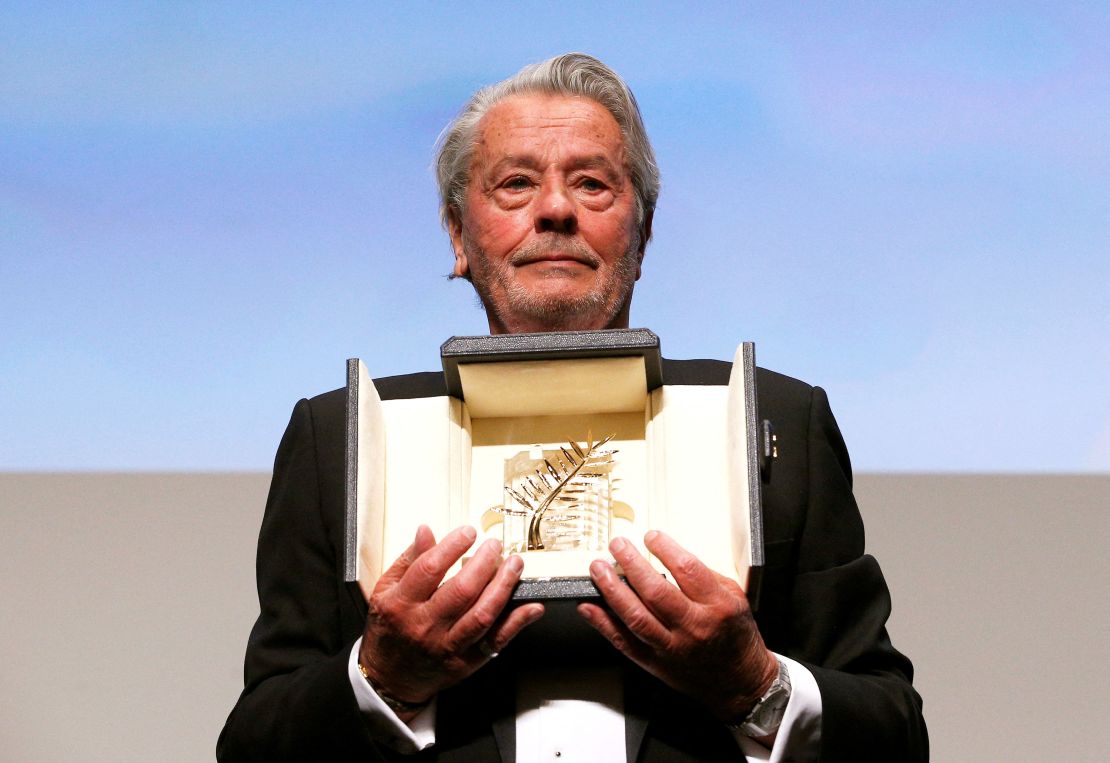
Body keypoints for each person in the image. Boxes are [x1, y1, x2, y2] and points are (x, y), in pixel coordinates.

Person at [218, 53, 927, 761]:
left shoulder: (775, 421)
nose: (555, 209)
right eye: (516, 183)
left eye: (591, 184)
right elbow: (254, 744)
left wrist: (752, 682)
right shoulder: (339, 439)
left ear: (642, 236)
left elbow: (894, 734)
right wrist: (383, 677)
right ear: (459, 236)